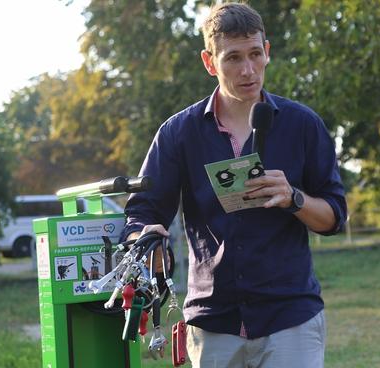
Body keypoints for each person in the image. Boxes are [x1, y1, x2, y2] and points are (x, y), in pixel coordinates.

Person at [120, 3, 347, 367]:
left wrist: (294, 198)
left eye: (256, 54)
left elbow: (335, 218)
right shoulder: (179, 133)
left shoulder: (303, 125)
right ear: (210, 63)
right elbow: (142, 212)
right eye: (233, 58)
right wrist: (145, 238)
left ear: (267, 53)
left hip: (290, 318)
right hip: (213, 323)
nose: (248, 70)